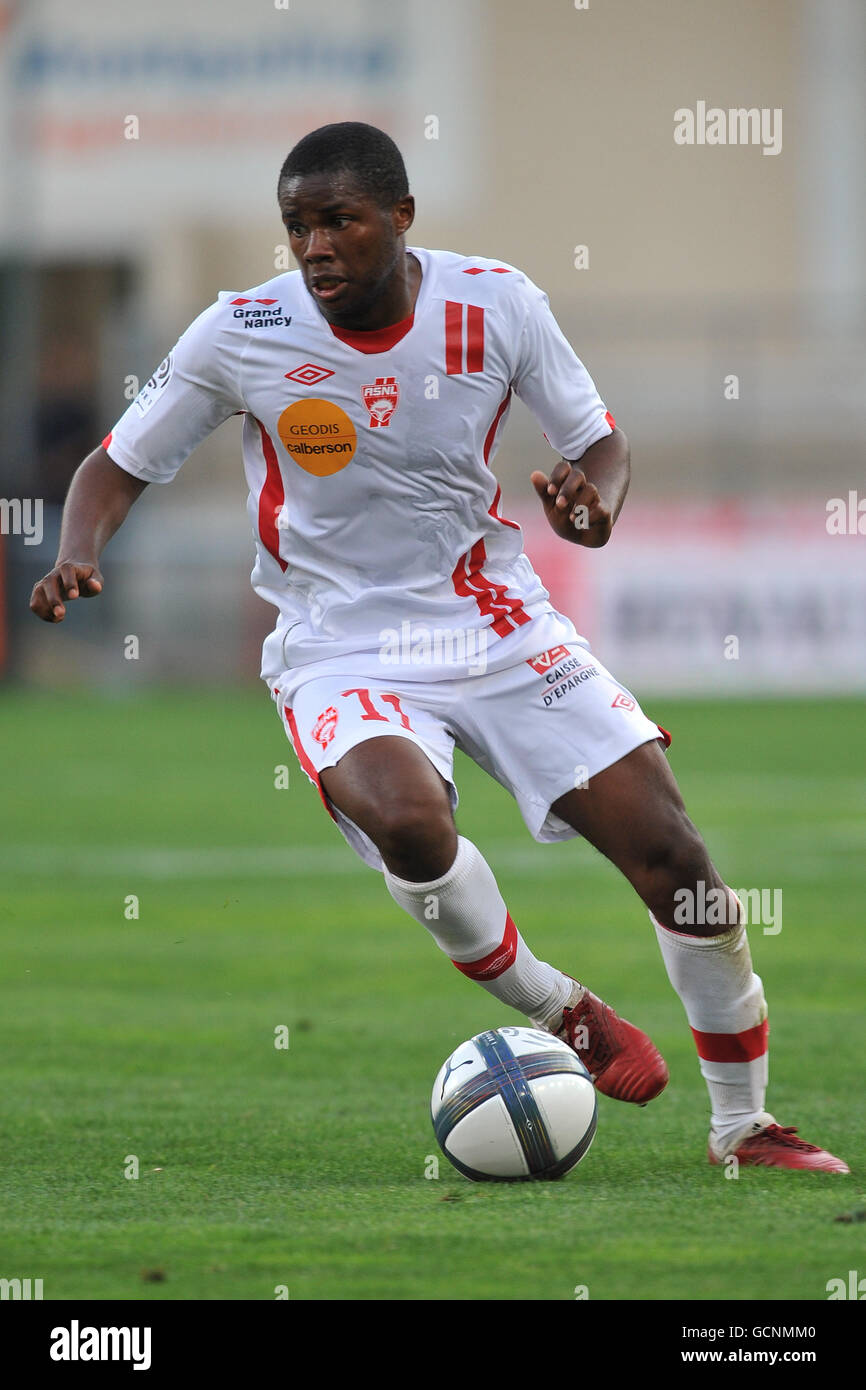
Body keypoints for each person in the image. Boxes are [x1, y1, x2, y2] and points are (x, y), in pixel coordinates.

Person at [31, 121, 847, 1174]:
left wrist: (590, 506)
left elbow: (597, 442)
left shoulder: (495, 303)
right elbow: (116, 462)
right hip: (340, 645)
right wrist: (77, 548)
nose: (314, 246)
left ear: (400, 217)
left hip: (496, 623)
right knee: (412, 824)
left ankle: (743, 1126)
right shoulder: (242, 331)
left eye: (338, 220)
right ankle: (556, 1008)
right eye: (296, 227)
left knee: (680, 867)